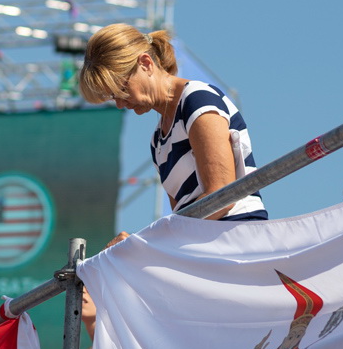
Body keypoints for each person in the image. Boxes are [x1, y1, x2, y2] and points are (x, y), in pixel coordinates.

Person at [79, 24, 267, 223]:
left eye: (122, 89)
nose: (119, 103)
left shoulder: (197, 99)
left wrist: (151, 237)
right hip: (204, 239)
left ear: (146, 63)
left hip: (238, 233)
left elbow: (221, 196)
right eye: (113, 96)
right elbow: (180, 219)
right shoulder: (157, 140)